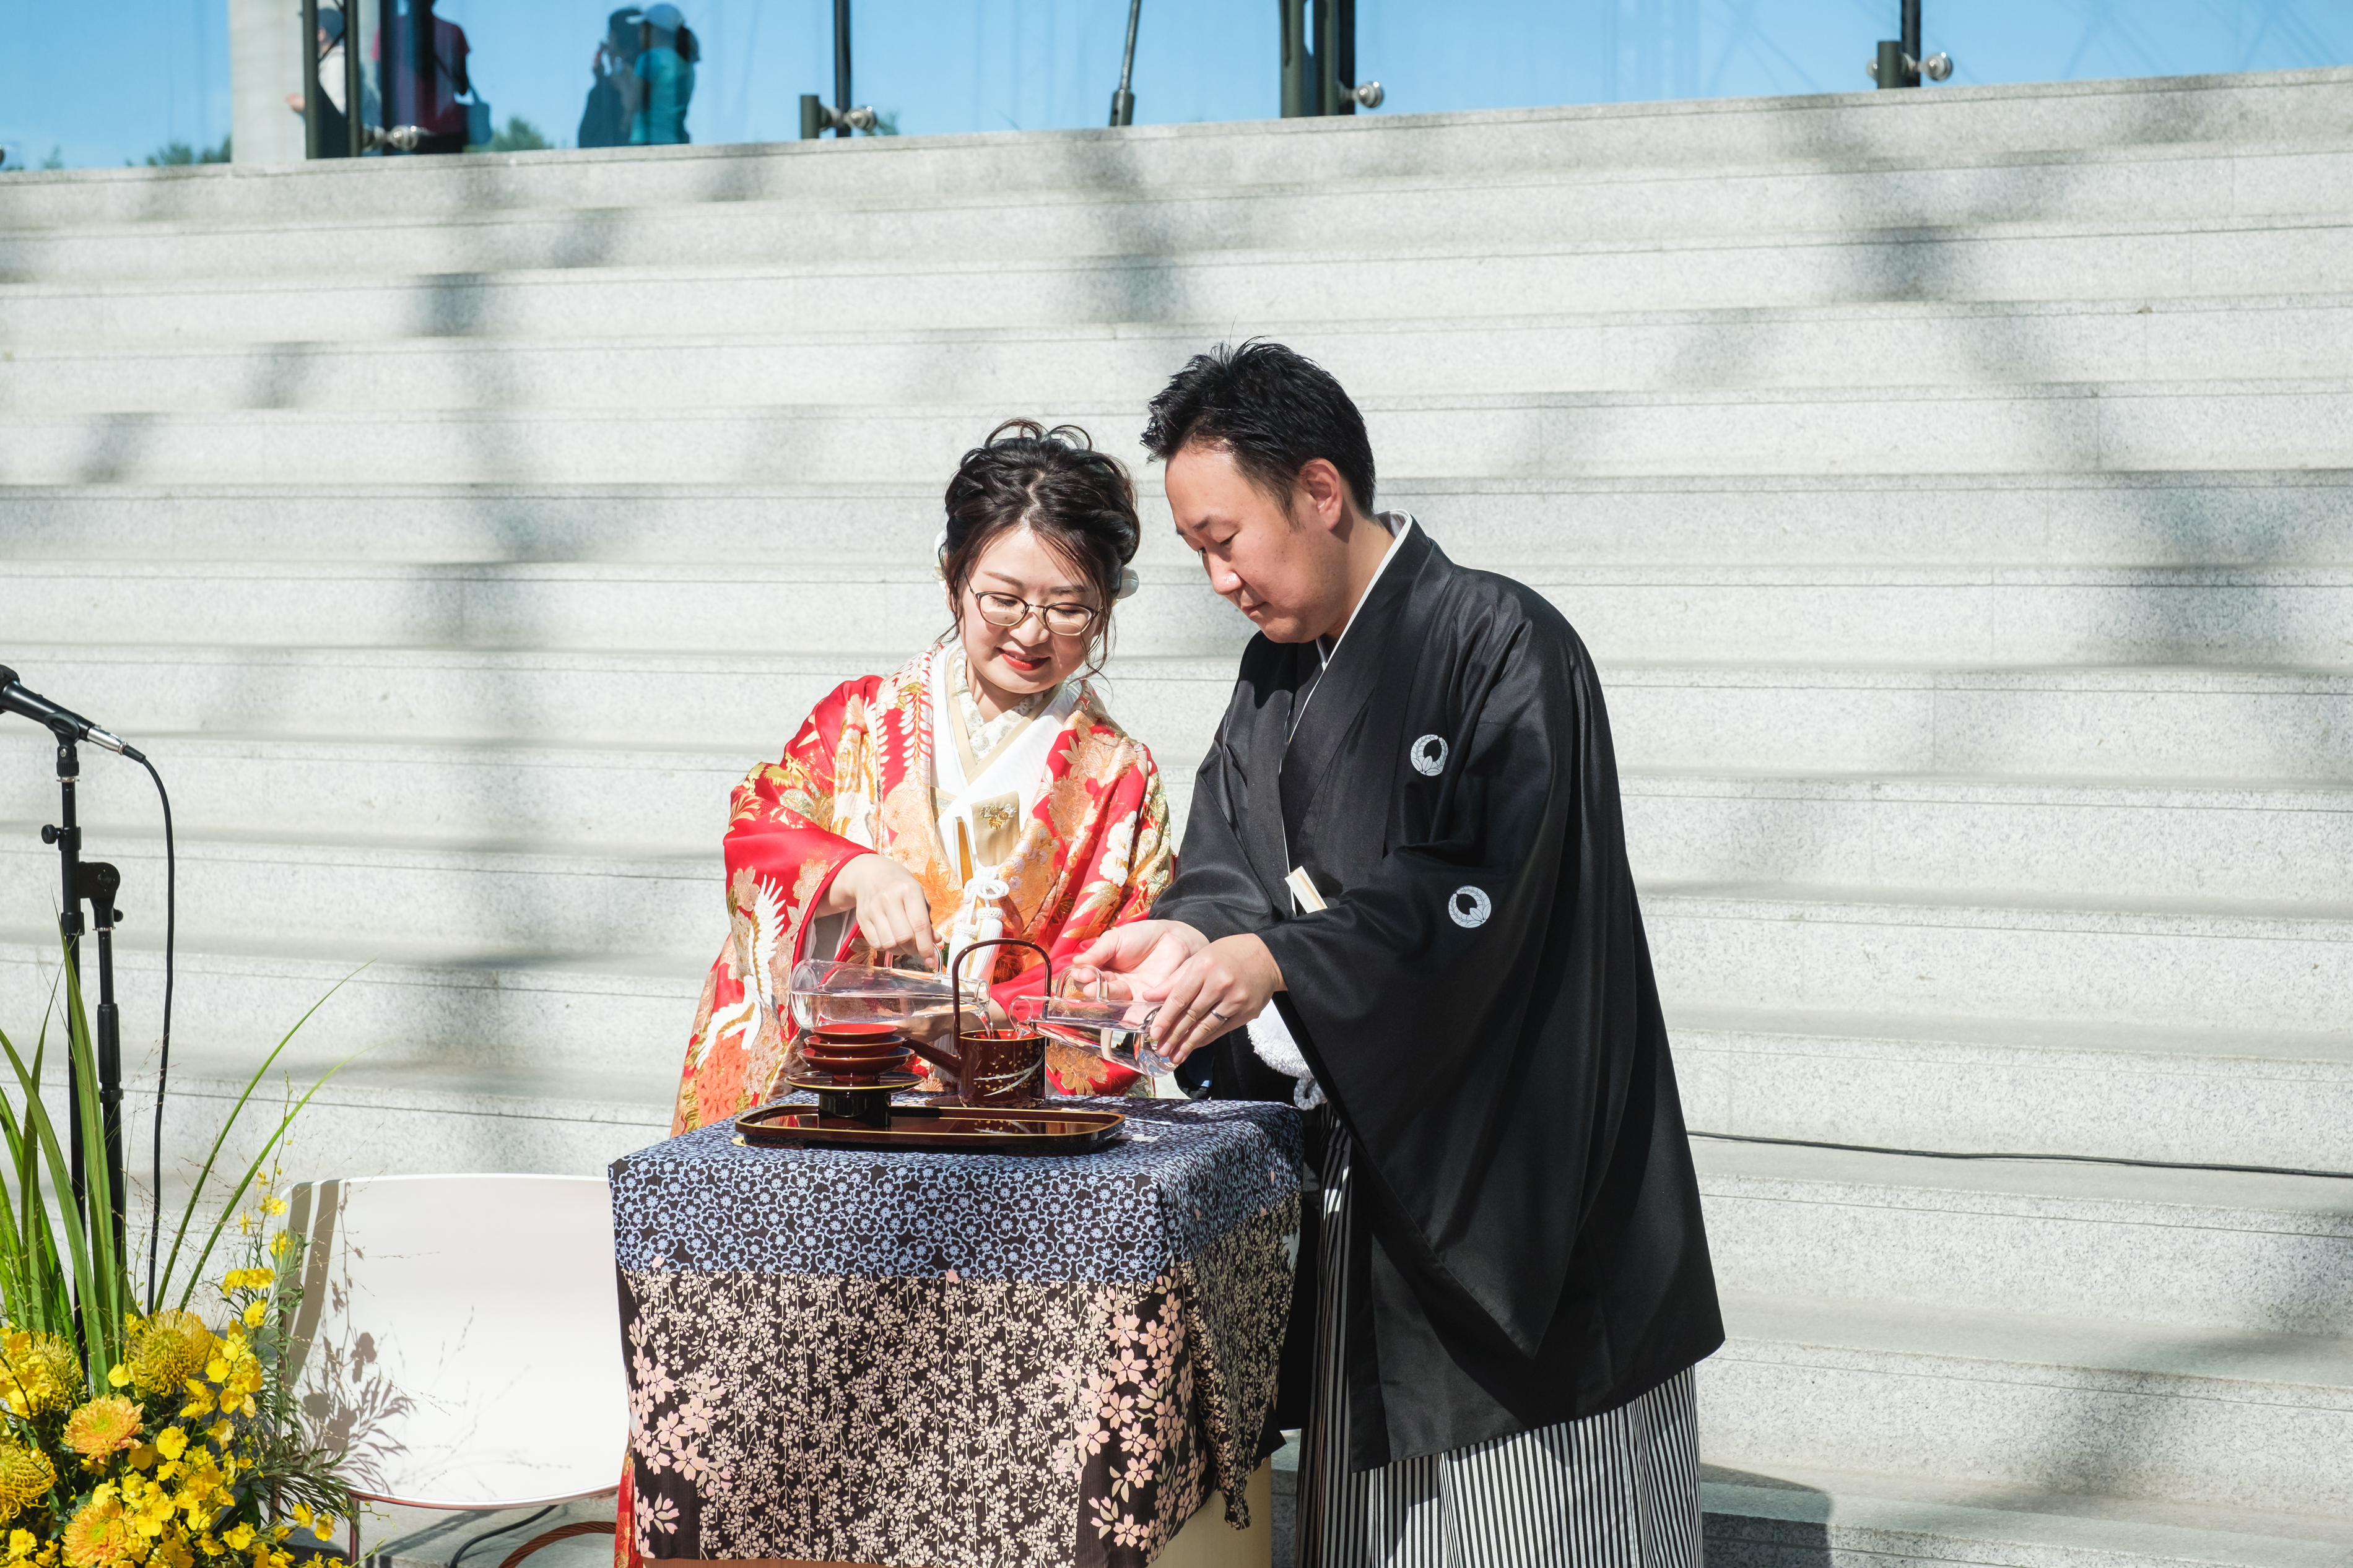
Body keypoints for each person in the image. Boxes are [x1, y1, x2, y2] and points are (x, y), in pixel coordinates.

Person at [1073, 342, 1724, 1566]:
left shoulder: (1503, 643)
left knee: (1540, 1531)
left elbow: (1484, 886)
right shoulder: (1277, 670)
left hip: (1518, 1190)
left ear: (1320, 491)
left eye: (1226, 539)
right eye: (1197, 550)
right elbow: (1229, 853)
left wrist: (1282, 962)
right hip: (1366, 1194)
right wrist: (1193, 935)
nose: (1217, 578)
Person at [666, 418, 1176, 1138]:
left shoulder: (1120, 780)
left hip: (1000, 1104)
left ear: (1104, 609)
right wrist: (852, 874)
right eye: (1003, 599)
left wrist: (983, 1015)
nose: (1031, 632)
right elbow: (760, 828)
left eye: (1067, 608)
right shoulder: (859, 721)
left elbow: (1116, 969)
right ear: (951, 580)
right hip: (843, 1086)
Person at [373, 0, 471, 154]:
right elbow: (463, 88)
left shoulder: (388, 30)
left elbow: (380, 82)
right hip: (446, 129)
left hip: (402, 131)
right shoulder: (452, 31)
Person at [628, 2, 696, 146]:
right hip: (674, 140)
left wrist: (621, 80)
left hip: (646, 140)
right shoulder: (687, 65)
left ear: (656, 30)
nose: (639, 34)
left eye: (642, 28)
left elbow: (633, 102)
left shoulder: (649, 58)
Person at [577, 7, 645, 149]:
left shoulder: (607, 89)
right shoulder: (649, 77)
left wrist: (601, 86)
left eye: (609, 34)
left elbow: (586, 141)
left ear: (615, 37)